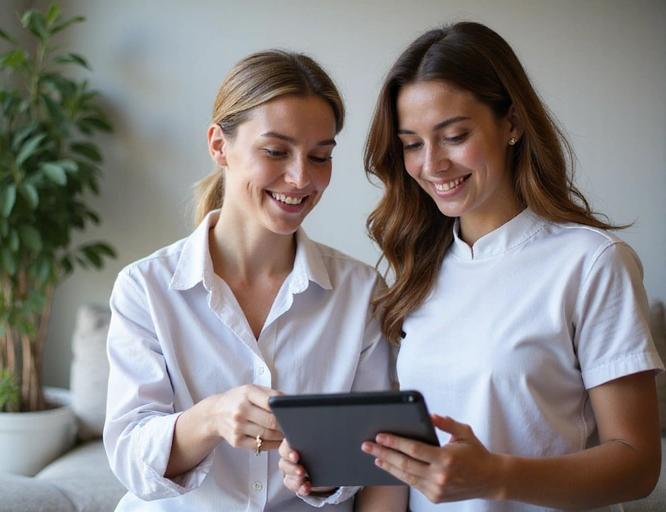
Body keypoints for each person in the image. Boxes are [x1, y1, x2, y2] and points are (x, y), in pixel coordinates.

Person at [280, 21, 664, 511]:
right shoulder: (418, 273)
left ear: (513, 124)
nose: (433, 164)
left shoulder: (590, 262)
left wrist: (496, 476)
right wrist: (326, 472)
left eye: (454, 135)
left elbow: (638, 464)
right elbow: (401, 464)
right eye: (413, 143)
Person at [103, 49, 397, 511]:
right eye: (276, 151)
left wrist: (321, 475)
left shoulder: (361, 296)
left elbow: (381, 463)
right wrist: (212, 418)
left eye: (320, 156)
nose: (301, 177)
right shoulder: (146, 289)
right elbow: (130, 457)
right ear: (219, 145)